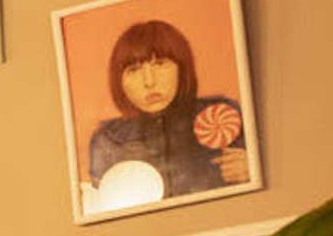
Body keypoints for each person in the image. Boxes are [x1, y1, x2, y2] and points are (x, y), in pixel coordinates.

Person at [81, 17, 248, 202]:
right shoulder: (108, 141)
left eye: (160, 64)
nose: (149, 81)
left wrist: (252, 171)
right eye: (134, 70)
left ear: (182, 68)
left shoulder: (224, 115)